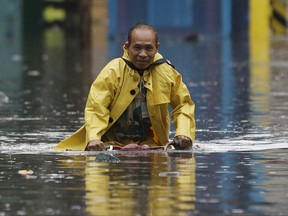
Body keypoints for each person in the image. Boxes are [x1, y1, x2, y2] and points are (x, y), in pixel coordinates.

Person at [54, 23, 196, 151]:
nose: (143, 54)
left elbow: (183, 104)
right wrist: (94, 138)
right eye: (137, 48)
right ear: (127, 47)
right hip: (112, 144)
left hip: (153, 146)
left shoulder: (167, 72)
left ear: (157, 48)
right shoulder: (113, 71)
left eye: (148, 48)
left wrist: (184, 134)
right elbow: (97, 107)